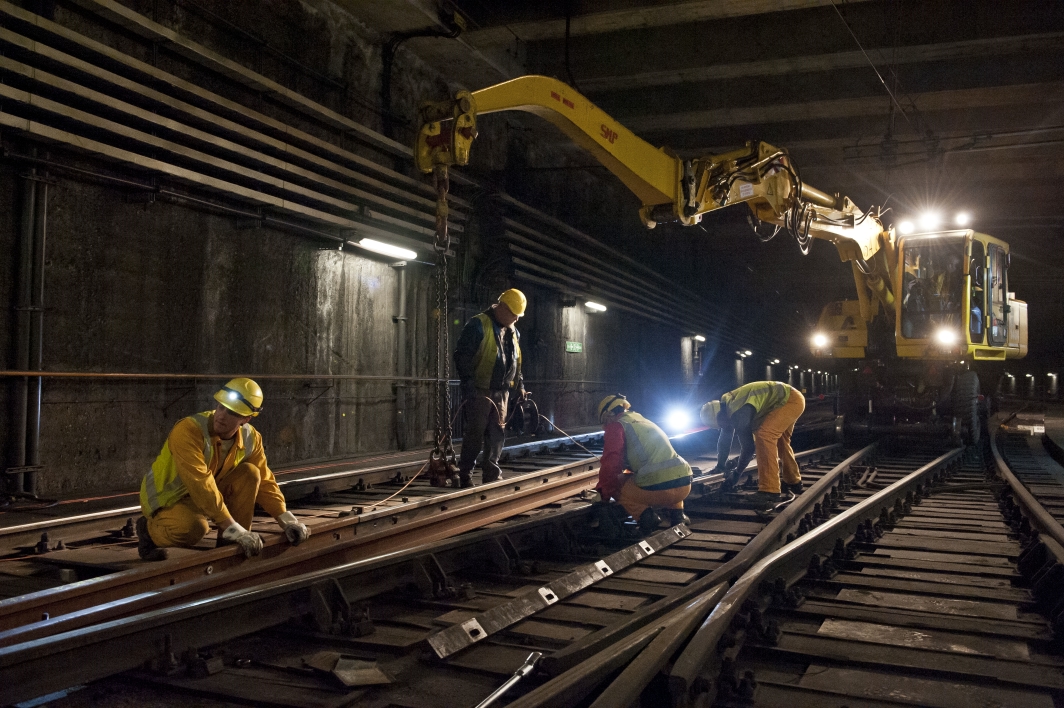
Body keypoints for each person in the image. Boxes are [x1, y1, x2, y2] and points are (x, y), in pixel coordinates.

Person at [136, 377, 310, 561]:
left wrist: (287, 520)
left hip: (204, 493)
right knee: (192, 529)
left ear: (246, 418)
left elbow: (266, 481)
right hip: (169, 498)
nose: (221, 415)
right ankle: (147, 531)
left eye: (232, 413)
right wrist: (230, 526)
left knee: (251, 473)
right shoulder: (189, 430)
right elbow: (200, 482)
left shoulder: (251, 438)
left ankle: (232, 545)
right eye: (221, 407)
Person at [453, 289, 527, 487]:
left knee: (496, 434)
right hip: (480, 390)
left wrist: (519, 385)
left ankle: (491, 475)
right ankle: (465, 474)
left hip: (502, 392)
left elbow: (516, 361)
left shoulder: (513, 331)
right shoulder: (478, 324)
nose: (515, 318)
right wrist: (468, 383)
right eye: (513, 314)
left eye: (518, 315)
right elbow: (462, 356)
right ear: (501, 307)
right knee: (475, 434)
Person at [701, 380, 806, 510]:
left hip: (788, 401)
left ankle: (769, 490)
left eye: (721, 424)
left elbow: (748, 448)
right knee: (780, 442)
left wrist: (737, 473)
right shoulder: (727, 406)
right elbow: (725, 439)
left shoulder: (738, 412)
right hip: (790, 398)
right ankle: (793, 481)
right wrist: (720, 466)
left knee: (764, 435)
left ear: (720, 416)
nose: (723, 427)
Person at [595, 394, 693, 531]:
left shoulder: (616, 426)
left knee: (615, 484)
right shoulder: (642, 420)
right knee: (668, 475)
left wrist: (604, 494)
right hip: (685, 485)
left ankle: (646, 517)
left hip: (659, 489)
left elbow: (611, 465)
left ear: (608, 414)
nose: (605, 426)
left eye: (604, 422)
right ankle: (678, 515)